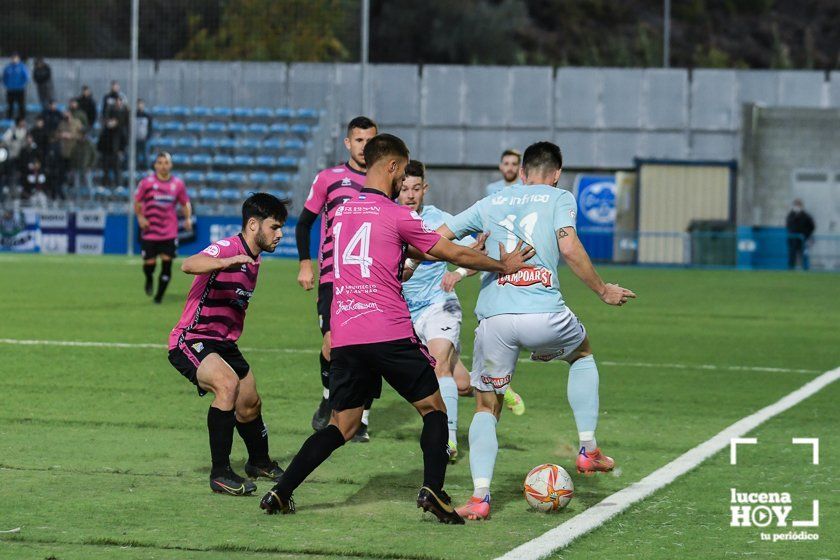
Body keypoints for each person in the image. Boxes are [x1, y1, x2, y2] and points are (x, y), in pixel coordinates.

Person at [259, 133, 535, 521]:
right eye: (402, 172)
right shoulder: (398, 214)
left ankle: (281, 492)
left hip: (348, 334)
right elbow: (447, 250)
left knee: (343, 424)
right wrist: (501, 265)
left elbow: (394, 251)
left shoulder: (341, 213)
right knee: (434, 408)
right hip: (387, 330)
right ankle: (434, 492)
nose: (403, 182)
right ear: (390, 167)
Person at [438, 141, 636, 521]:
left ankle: (480, 497)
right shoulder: (560, 197)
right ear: (557, 173)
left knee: (486, 405)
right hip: (544, 314)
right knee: (581, 353)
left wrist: (465, 260)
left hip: (495, 319)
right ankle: (588, 448)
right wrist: (602, 289)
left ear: (523, 172)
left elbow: (440, 238)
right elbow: (570, 247)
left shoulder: (490, 202)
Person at [397, 160, 526, 463]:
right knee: (462, 383)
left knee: (439, 364)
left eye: (416, 188)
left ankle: (449, 441)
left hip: (439, 305)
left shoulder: (440, 219)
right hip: (405, 314)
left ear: (425, 188)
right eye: (405, 189)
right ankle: (496, 384)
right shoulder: (391, 217)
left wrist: (458, 273)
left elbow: (476, 251)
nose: (411, 194)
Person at [168, 193, 289, 495]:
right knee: (227, 385)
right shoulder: (229, 248)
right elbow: (188, 264)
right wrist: (224, 262)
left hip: (223, 344)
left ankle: (259, 462)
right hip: (192, 338)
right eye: (275, 227)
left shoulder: (254, 259)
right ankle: (220, 473)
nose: (280, 234)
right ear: (252, 224)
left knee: (250, 402)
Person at [295, 116, 377, 442]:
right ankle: (330, 400)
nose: (364, 147)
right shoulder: (329, 178)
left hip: (372, 278)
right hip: (334, 277)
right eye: (359, 140)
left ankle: (362, 418)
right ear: (348, 142)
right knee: (332, 344)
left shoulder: (384, 181)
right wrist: (305, 264)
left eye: (370, 141)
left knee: (369, 350)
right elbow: (304, 223)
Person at [134, 152, 192, 303]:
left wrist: (187, 218)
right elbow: (138, 202)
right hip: (150, 231)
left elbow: (185, 203)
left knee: (167, 265)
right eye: (159, 163)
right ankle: (148, 278)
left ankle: (158, 297)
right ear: (155, 165)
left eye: (166, 163)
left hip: (169, 232)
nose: (163, 166)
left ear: (170, 165)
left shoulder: (178, 184)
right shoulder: (146, 183)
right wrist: (140, 217)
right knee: (150, 264)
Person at [786, 199, 815, 270]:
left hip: (803, 239)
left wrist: (806, 234)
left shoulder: (806, 216)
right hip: (792, 239)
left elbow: (812, 226)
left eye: (798, 205)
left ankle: (805, 268)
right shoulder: (790, 215)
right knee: (792, 254)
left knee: (804, 254)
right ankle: (791, 268)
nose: (796, 207)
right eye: (795, 205)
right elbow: (788, 225)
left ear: (801, 206)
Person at [3, 53, 29, 120]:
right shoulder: (8, 67)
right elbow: (4, 77)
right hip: (10, 90)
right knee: (10, 105)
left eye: (15, 58)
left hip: (20, 90)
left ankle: (22, 119)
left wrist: (22, 84)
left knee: (21, 105)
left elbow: (26, 77)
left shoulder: (22, 66)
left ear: (18, 59)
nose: (14, 59)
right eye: (13, 58)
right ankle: (9, 118)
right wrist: (6, 84)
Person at [135, 99, 153, 169]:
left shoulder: (147, 116)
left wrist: (147, 137)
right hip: (136, 139)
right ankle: (135, 170)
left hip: (145, 139)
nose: (139, 106)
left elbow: (150, 128)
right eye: (138, 104)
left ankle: (148, 169)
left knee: (146, 155)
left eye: (141, 104)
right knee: (135, 156)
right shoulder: (134, 115)